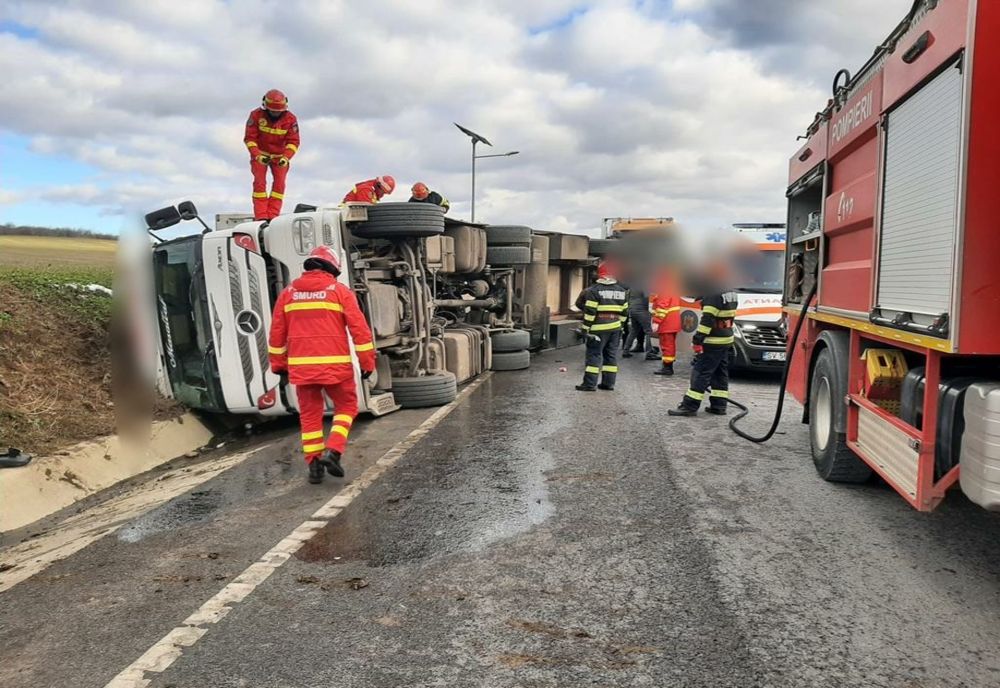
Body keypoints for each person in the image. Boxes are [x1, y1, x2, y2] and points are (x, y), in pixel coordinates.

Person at [268, 246, 376, 484]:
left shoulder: (287, 294)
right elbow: (360, 331)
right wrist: (367, 362)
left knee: (309, 416)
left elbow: (276, 335)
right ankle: (333, 452)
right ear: (333, 268)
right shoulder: (339, 292)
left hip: (302, 369)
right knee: (346, 407)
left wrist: (278, 366)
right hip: (336, 368)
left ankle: (314, 467)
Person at [668, 289, 738, 416]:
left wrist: (698, 339)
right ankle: (719, 405)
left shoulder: (713, 294)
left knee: (701, 373)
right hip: (725, 338)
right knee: (719, 373)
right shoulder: (729, 291)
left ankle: (689, 406)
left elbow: (707, 319)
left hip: (713, 340)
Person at [244, 89, 300, 221]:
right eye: (273, 111)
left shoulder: (291, 119)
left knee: (279, 185)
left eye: (278, 111)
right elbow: (250, 139)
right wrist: (257, 155)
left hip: (280, 156)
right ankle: (261, 216)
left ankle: (273, 216)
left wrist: (286, 157)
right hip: (260, 155)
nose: (275, 113)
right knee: (259, 184)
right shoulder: (256, 115)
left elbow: (294, 141)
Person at [575, 261, 629, 392]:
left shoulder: (594, 290)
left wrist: (585, 329)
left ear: (600, 274)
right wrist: (621, 327)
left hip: (597, 329)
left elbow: (590, 312)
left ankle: (589, 384)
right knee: (611, 356)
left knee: (594, 356)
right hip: (615, 328)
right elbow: (624, 312)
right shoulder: (622, 291)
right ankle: (608, 383)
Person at [650, 286, 682, 376]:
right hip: (671, 322)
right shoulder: (672, 288)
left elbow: (662, 307)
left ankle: (667, 368)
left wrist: (656, 321)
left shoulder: (664, 289)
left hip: (667, 322)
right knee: (669, 345)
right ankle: (667, 366)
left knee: (667, 346)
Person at [622, 288, 653, 359]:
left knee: (634, 331)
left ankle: (625, 351)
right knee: (649, 331)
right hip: (641, 310)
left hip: (632, 309)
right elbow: (649, 297)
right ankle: (649, 353)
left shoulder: (632, 287)